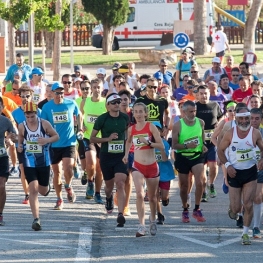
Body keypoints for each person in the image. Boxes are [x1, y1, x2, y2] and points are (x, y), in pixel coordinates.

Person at [217, 107, 263, 245]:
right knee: (236, 208)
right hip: (234, 172)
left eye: (246, 118)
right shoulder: (230, 133)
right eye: (241, 119)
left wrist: (261, 160)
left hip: (250, 172)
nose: (244, 121)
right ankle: (233, 209)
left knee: (248, 204)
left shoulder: (255, 133)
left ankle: (245, 233)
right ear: (236, 119)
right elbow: (220, 150)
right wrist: (227, 165)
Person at [123, 102, 164, 237]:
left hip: (152, 166)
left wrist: (148, 143)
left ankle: (152, 220)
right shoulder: (131, 129)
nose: (139, 114)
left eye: (141, 111)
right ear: (133, 114)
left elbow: (161, 145)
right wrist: (125, 154)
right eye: (136, 112)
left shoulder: (151, 127)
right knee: (140, 194)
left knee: (152, 198)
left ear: (146, 113)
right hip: (137, 165)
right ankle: (141, 225)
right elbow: (128, 141)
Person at [41, 82, 83, 210]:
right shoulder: (47, 107)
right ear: (52, 93)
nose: (59, 95)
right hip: (54, 144)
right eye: (57, 92)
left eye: (61, 92)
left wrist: (80, 129)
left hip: (69, 142)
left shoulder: (71, 103)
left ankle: (68, 186)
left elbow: (79, 114)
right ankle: (59, 199)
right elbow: (43, 124)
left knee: (68, 168)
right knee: (57, 172)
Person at [17, 102, 59, 231]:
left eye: (32, 116)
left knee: (43, 191)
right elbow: (20, 140)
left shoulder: (44, 124)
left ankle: (48, 184)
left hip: (44, 161)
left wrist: (46, 140)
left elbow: (56, 136)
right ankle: (36, 219)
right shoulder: (22, 126)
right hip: (29, 161)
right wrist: (19, 146)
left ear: (36, 114)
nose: (30, 119)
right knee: (33, 189)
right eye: (27, 116)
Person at [90, 93, 129, 227]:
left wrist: (128, 150)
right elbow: (92, 138)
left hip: (120, 156)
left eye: (119, 101)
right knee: (109, 186)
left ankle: (120, 214)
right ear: (107, 105)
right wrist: (107, 139)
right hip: (106, 155)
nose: (117, 104)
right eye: (114, 102)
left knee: (120, 183)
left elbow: (128, 137)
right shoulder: (102, 119)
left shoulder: (125, 118)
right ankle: (108, 197)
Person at [172, 100, 207, 223]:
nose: (193, 114)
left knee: (200, 182)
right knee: (184, 187)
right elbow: (174, 145)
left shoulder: (201, 122)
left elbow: (202, 138)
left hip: (197, 156)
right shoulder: (178, 125)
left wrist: (203, 145)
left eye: (195, 111)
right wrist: (187, 146)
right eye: (190, 111)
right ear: (184, 111)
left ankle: (197, 209)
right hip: (182, 157)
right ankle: (185, 209)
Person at [12, 86, 42, 204]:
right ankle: (27, 194)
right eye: (22, 96)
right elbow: (12, 130)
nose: (25, 99)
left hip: (37, 145)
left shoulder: (38, 112)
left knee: (36, 170)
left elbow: (44, 127)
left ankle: (35, 188)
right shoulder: (15, 113)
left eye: (27, 96)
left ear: (32, 96)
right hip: (22, 146)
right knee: (23, 169)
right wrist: (13, 138)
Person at [80, 79, 106, 204]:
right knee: (90, 161)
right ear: (91, 88)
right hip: (88, 137)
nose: (96, 90)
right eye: (94, 87)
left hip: (101, 139)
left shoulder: (106, 103)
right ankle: (90, 181)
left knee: (100, 168)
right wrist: (81, 126)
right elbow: (80, 116)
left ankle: (97, 193)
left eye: (98, 87)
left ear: (102, 88)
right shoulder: (85, 101)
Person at [196, 85, 223, 201]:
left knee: (213, 166)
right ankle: (203, 191)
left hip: (212, 141)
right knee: (201, 170)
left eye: (206, 93)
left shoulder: (215, 105)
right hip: (199, 143)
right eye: (201, 93)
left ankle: (211, 184)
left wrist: (219, 123)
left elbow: (221, 116)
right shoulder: (195, 106)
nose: (204, 95)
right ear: (197, 95)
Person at [0, 97, 18, 226]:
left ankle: (0, 214)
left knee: (1, 186)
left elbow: (15, 137)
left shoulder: (5, 121)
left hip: (2, 157)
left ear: (2, 107)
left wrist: (10, 139)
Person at [154, 122, 175, 225]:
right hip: (153, 173)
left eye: (157, 131)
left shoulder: (165, 143)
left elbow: (165, 158)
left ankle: (165, 199)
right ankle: (159, 214)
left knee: (164, 196)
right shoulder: (147, 144)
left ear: (162, 132)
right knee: (155, 194)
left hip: (165, 172)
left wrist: (161, 147)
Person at [249, 108, 263, 238]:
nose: (253, 121)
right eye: (251, 118)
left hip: (260, 170)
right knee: (244, 201)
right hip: (243, 170)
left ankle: (256, 227)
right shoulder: (239, 133)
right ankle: (240, 213)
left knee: (258, 197)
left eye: (257, 118)